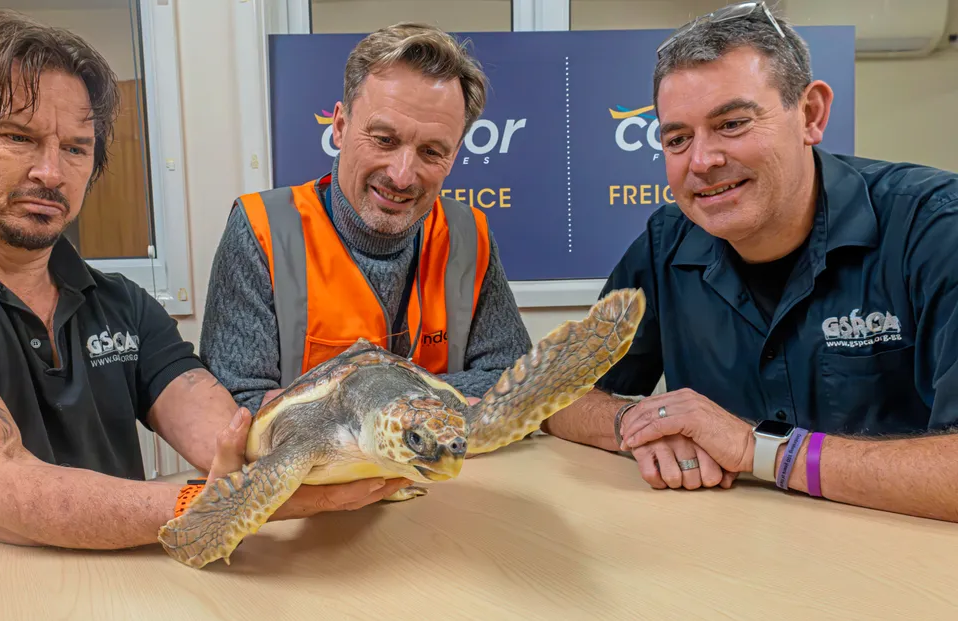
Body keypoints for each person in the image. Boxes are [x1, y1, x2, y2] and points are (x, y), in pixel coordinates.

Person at [0, 10, 408, 592]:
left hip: (113, 595)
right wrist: (250, 502)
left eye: (77, 148)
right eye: (17, 137)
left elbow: (232, 435)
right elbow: (1, 490)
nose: (52, 172)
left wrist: (357, 439)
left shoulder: (118, 303)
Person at [543, 2, 958, 523]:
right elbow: (557, 397)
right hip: (730, 569)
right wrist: (641, 421)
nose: (702, 161)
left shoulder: (937, 229)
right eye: (677, 138)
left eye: (733, 123)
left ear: (810, 114)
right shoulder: (666, 241)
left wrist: (760, 450)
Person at [199, 23, 532, 412]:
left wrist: (329, 401)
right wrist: (441, 396)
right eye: (385, 140)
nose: (402, 175)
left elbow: (516, 381)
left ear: (454, 155)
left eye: (431, 151)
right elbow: (239, 406)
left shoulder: (467, 236)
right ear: (340, 127)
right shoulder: (261, 231)